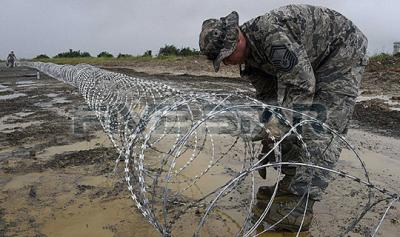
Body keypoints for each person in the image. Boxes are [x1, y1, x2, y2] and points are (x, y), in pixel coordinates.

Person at [199, 4, 368, 236]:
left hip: (340, 51)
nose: (227, 64)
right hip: (310, 60)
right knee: (282, 122)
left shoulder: (272, 37)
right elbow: (269, 102)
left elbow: (301, 86)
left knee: (320, 125)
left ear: (236, 40)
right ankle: (290, 186)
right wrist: (270, 140)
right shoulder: (251, 62)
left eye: (226, 58)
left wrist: (278, 130)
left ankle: (300, 204)